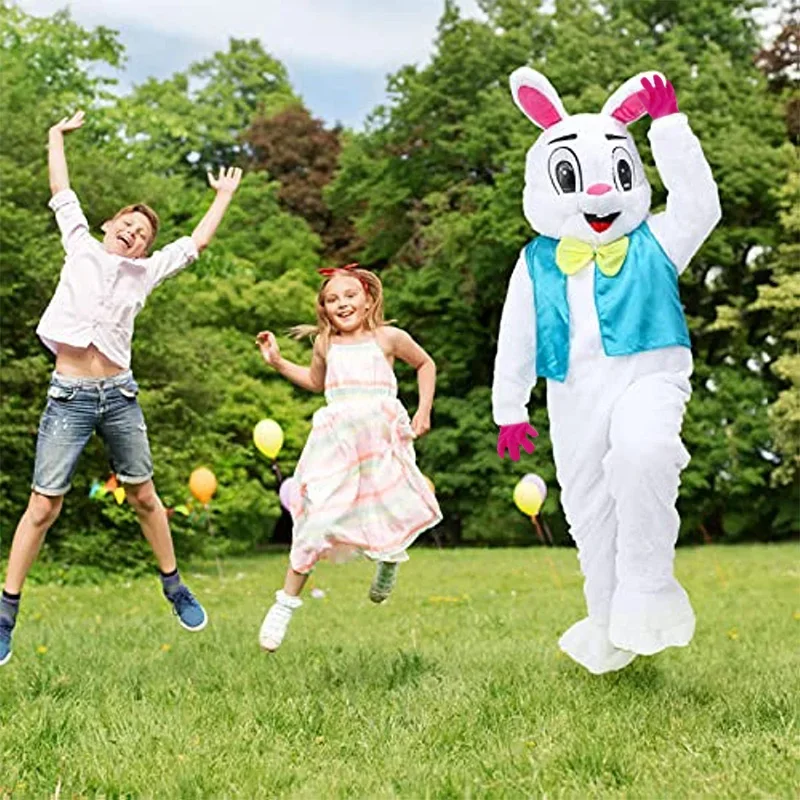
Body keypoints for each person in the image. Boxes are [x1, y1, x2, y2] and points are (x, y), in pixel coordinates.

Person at [493, 71, 721, 674]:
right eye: (574, 177)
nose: (599, 192)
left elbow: (701, 205)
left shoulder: (658, 239)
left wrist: (669, 127)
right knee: (590, 510)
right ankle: (608, 626)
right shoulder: (536, 260)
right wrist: (510, 408)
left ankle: (649, 589)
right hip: (572, 393)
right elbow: (515, 334)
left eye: (619, 174)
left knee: (644, 451)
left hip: (651, 377)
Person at [0, 110, 243, 666]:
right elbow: (60, 189)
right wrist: (54, 135)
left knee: (143, 495)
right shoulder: (80, 246)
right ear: (111, 225)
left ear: (142, 250)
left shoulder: (147, 271)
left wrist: (222, 196)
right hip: (68, 395)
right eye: (129, 225)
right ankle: (6, 612)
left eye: (144, 235)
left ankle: (175, 584)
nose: (135, 234)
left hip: (119, 396)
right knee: (43, 506)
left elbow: (196, 243)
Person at [255, 263, 442, 651]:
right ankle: (285, 603)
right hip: (336, 443)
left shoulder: (388, 338)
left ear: (369, 298)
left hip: (379, 438)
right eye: (332, 299)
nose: (342, 303)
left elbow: (426, 364)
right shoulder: (325, 344)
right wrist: (276, 361)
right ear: (323, 309)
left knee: (389, 506)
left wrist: (424, 410)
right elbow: (315, 382)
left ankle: (389, 561)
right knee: (314, 516)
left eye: (350, 295)